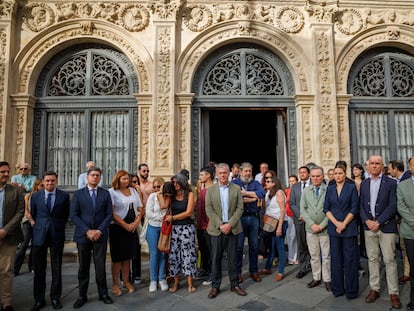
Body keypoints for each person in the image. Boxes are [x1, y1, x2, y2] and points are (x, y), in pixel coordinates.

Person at [359, 155, 401, 309]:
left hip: (386, 227)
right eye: (372, 164)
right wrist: (367, 221)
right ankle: (374, 288)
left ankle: (393, 292)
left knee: (389, 260)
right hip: (368, 228)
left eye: (378, 163)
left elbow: (393, 205)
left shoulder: (391, 183)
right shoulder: (364, 184)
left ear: (382, 166)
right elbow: (361, 206)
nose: (375, 166)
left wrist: (379, 221)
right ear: (367, 166)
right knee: (372, 258)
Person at [70, 167, 113, 308]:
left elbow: (109, 215)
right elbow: (74, 216)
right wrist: (87, 231)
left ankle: (103, 293)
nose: (95, 177)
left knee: (100, 267)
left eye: (97, 175)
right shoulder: (78, 194)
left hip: (100, 236)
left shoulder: (105, 194)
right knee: (83, 267)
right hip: (83, 236)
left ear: (100, 178)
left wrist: (99, 230)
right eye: (93, 175)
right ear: (87, 177)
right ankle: (82, 295)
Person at [29, 171, 70, 311]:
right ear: (43, 182)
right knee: (39, 269)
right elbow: (34, 213)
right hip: (39, 236)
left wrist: (56, 226)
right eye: (47, 181)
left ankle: (55, 297)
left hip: (56, 235)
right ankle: (39, 300)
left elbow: (66, 215)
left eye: (52, 181)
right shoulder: (35, 196)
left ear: (56, 181)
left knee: (56, 268)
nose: (50, 183)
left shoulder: (64, 196)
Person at [205, 163, 246, 298]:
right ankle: (215, 286)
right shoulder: (210, 190)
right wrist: (220, 225)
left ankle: (234, 285)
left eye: (225, 173)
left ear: (229, 173)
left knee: (233, 259)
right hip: (216, 230)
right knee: (215, 259)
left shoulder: (236, 188)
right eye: (220, 173)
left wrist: (230, 224)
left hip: (232, 229)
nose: (223, 175)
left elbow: (240, 208)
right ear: (216, 174)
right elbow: (209, 209)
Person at [323, 165, 359, 299]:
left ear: (345, 174)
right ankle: (337, 289)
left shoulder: (351, 188)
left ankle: (351, 291)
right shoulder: (330, 189)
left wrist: (343, 224)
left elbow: (354, 208)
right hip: (334, 229)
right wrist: (337, 223)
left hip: (349, 229)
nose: (337, 175)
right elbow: (326, 208)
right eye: (335, 173)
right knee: (336, 259)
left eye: (340, 173)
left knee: (350, 260)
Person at [108, 170, 143, 296]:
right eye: (124, 179)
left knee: (128, 256)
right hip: (118, 228)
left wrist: (136, 223)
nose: (127, 181)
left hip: (132, 227)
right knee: (117, 258)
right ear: (117, 180)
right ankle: (115, 284)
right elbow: (112, 213)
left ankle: (126, 281)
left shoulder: (133, 191)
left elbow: (140, 208)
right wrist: (125, 225)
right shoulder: (112, 192)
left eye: (127, 178)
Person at [162, 173, 197, 293]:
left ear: (182, 182)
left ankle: (190, 283)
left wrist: (173, 218)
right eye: (173, 182)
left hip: (187, 227)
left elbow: (189, 212)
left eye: (176, 182)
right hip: (175, 230)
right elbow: (163, 206)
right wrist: (162, 192)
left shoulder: (190, 195)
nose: (175, 184)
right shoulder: (171, 197)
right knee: (174, 256)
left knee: (188, 255)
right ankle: (176, 282)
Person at [232, 162, 266, 283]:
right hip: (239, 218)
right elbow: (234, 197)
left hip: (253, 217)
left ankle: (254, 271)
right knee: (239, 246)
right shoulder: (234, 183)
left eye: (249, 171)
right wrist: (253, 198)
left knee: (254, 245)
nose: (248, 173)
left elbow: (262, 194)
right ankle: (238, 273)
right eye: (246, 171)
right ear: (240, 172)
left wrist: (245, 194)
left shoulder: (255, 183)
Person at [300, 166, 331, 291]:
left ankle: (328, 279)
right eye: (313, 176)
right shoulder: (306, 191)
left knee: (326, 256)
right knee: (314, 255)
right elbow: (303, 209)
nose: (315, 178)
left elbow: (331, 209)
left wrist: (322, 225)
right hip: (310, 229)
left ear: (322, 176)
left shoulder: (329, 190)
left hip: (325, 229)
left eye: (318, 176)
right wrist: (312, 224)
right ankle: (316, 277)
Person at [0, 161, 25, 311]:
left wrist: (5, 230)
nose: (6, 174)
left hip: (9, 237)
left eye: (7, 172)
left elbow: (20, 212)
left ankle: (6, 302)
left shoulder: (15, 191)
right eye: (3, 172)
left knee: (6, 271)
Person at [260, 175, 288, 282]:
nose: (266, 183)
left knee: (280, 247)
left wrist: (279, 227)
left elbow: (282, 210)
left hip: (279, 222)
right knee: (271, 246)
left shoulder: (279, 193)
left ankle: (281, 271)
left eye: (268, 181)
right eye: (266, 181)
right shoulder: (269, 193)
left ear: (274, 183)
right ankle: (267, 268)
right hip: (271, 222)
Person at [145, 178, 170, 293]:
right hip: (153, 228)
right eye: (154, 187)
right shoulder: (152, 197)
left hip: (164, 228)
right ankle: (153, 280)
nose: (156, 189)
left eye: (158, 186)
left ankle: (162, 278)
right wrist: (162, 218)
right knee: (154, 254)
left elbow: (168, 212)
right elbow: (148, 213)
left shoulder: (168, 197)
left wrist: (164, 218)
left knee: (163, 254)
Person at [14, 179, 43, 276]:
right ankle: (15, 268)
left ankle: (33, 266)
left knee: (35, 246)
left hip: (38, 223)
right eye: (42, 185)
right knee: (24, 244)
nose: (44, 187)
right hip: (27, 222)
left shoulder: (43, 196)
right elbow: (26, 210)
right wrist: (31, 220)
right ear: (37, 186)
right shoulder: (28, 196)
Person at [397, 155, 414, 310]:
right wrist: (412, 220)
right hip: (410, 232)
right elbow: (401, 206)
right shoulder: (403, 185)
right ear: (410, 167)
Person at [289, 165, 311, 278]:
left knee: (312, 244)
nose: (302, 174)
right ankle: (303, 267)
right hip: (299, 220)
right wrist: (300, 214)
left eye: (304, 172)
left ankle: (312, 264)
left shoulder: (313, 184)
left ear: (308, 174)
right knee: (301, 244)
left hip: (311, 220)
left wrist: (308, 216)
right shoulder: (295, 187)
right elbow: (291, 203)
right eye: (300, 172)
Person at [196, 167, 215, 283]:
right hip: (200, 225)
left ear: (208, 175)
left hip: (209, 225)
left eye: (202, 174)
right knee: (203, 249)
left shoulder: (214, 189)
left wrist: (210, 224)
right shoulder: (203, 190)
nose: (200, 177)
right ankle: (205, 269)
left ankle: (213, 274)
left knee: (211, 250)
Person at [128, 173, 143, 285]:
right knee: (124, 252)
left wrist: (139, 192)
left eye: (137, 182)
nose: (136, 184)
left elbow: (140, 207)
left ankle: (137, 273)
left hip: (136, 222)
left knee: (137, 249)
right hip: (124, 223)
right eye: (133, 182)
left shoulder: (136, 192)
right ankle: (125, 276)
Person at [285, 175, 298, 265]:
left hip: (296, 215)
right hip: (288, 215)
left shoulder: (298, 190)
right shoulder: (286, 191)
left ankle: (295, 256)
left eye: (293, 181)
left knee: (294, 236)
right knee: (289, 236)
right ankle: (291, 256)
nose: (291, 183)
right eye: (290, 181)